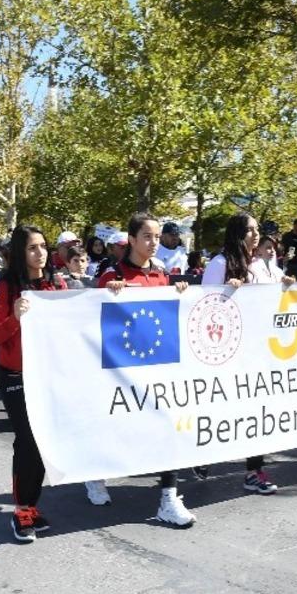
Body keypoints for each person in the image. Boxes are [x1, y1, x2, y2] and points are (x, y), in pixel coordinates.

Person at [97, 213, 197, 524]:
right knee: (117, 429)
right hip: (120, 371)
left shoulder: (161, 273)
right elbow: (91, 316)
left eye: (156, 236)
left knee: (168, 426)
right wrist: (107, 293)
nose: (154, 242)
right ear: (131, 239)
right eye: (147, 237)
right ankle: (95, 472)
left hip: (157, 366)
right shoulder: (112, 274)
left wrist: (179, 293)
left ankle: (168, 498)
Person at [0, 226, 68, 542]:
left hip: (49, 374)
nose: (40, 253)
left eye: (43, 246)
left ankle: (32, 506)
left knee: (43, 441)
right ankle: (22, 509)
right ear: (20, 252)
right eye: (32, 247)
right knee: (27, 440)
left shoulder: (56, 283)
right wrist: (14, 317)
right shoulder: (5, 286)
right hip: (15, 375)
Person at [200, 215, 293, 493]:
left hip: (256, 349)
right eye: (249, 230)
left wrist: (285, 286)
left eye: (256, 230)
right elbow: (203, 304)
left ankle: (254, 471)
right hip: (225, 352)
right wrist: (228, 292)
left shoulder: (258, 265)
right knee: (220, 409)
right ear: (237, 233)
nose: (255, 234)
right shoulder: (219, 264)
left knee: (257, 410)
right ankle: (202, 454)